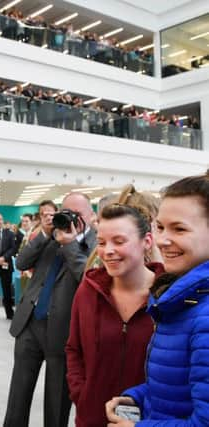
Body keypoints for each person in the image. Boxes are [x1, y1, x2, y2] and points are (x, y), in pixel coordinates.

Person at [105, 171, 209, 426]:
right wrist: (138, 397)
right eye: (160, 227)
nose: (162, 240)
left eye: (179, 229)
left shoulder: (202, 316)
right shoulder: (183, 300)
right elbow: (178, 387)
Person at [66, 204, 164, 427]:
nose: (108, 250)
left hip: (150, 419)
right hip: (92, 416)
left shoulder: (168, 296)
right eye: (101, 243)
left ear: (146, 242)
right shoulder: (89, 291)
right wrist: (82, 396)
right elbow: (74, 348)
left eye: (119, 242)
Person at [5, 193, 96, 427]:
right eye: (66, 212)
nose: (71, 219)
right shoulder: (49, 237)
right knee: (18, 397)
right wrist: (45, 233)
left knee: (56, 404)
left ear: (91, 217)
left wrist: (71, 245)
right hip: (29, 324)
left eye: (77, 214)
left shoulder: (96, 245)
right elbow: (21, 263)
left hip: (63, 332)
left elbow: (90, 280)